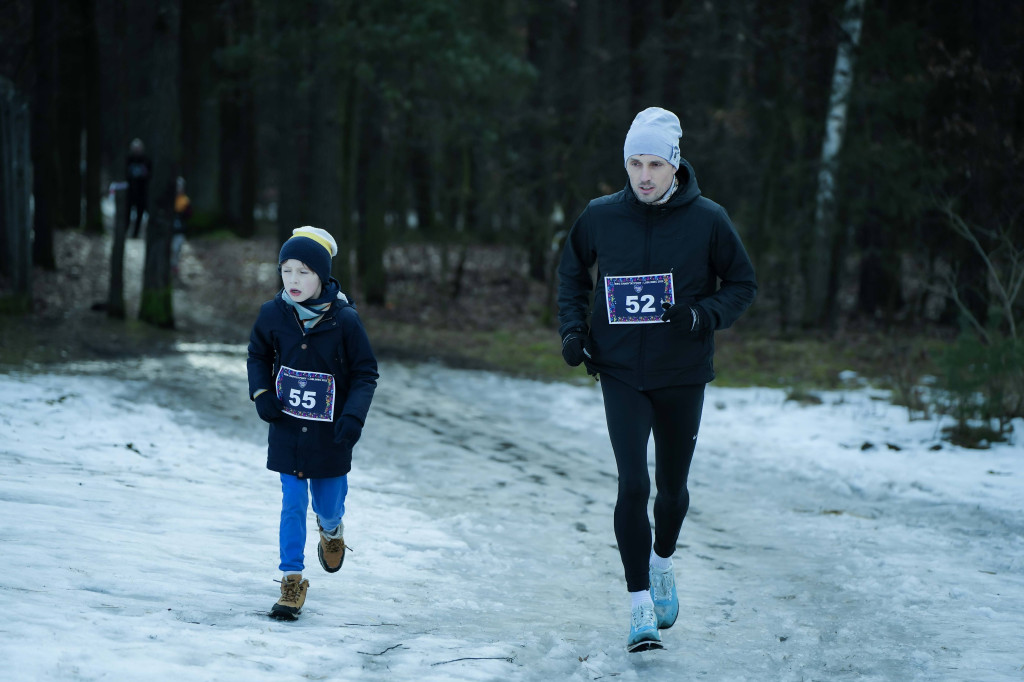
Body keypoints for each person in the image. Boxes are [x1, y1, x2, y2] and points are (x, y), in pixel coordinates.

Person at [557, 107, 757, 652]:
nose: (643, 176)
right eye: (633, 164)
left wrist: (699, 316)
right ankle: (639, 606)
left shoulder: (709, 220)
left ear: (674, 165)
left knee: (670, 491)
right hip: (619, 371)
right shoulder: (601, 216)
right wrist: (574, 331)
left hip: (681, 373)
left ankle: (662, 559)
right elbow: (571, 273)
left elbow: (742, 284)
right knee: (633, 485)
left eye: (653, 164)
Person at [247, 226, 379, 620]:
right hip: (287, 428)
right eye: (286, 271)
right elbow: (257, 355)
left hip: (331, 433)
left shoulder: (345, 321)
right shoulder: (273, 313)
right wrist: (261, 393)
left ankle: (332, 529)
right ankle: (291, 579)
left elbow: (365, 373)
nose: (294, 280)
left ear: (321, 274)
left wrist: (353, 417)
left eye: (303, 272)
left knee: (328, 502)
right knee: (292, 503)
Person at [125, 138, 151, 238]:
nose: (136, 150)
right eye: (134, 148)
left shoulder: (146, 160)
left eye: (138, 148)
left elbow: (149, 175)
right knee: (127, 212)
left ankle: (136, 233)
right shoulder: (128, 160)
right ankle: (126, 231)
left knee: (140, 213)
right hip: (130, 191)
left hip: (142, 191)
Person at [171, 177, 192, 278]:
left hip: (180, 230)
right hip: (170, 230)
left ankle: (175, 265)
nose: (178, 189)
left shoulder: (185, 201)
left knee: (176, 248)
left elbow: (189, 215)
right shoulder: (169, 201)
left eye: (180, 187)